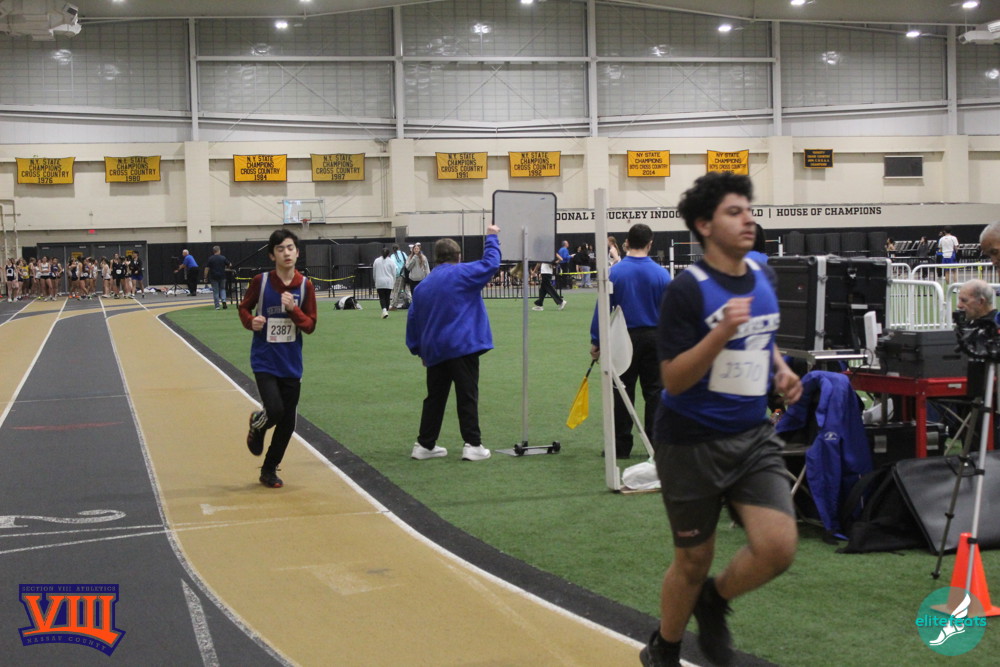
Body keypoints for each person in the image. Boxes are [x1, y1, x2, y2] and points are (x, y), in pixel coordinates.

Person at [642, 172, 802, 667]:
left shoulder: (762, 274)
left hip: (752, 435)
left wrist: (779, 368)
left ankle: (714, 601)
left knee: (778, 547)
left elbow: (762, 335)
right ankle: (665, 649)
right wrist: (720, 333)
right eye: (734, 212)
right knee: (694, 560)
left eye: (749, 209)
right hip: (690, 442)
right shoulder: (687, 291)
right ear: (704, 226)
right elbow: (673, 380)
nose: (748, 219)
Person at [405, 224, 500, 462]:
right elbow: (491, 264)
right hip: (462, 345)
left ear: (436, 258)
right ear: (458, 256)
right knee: (467, 394)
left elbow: (413, 321)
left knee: (435, 398)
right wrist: (491, 237)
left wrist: (419, 350)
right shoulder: (462, 273)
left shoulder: (423, 286)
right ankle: (472, 444)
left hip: (435, 350)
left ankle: (425, 444)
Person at [239, 229, 318, 488]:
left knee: (287, 423)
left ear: (297, 252)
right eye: (281, 249)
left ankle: (269, 469)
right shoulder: (260, 282)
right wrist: (251, 321)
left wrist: (293, 310)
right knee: (274, 410)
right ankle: (258, 424)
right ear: (272, 255)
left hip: (291, 363)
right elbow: (244, 308)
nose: (286, 253)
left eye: (290, 248)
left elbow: (310, 325)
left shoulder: (305, 286)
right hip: (265, 359)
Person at [590, 223, 672, 459]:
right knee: (655, 392)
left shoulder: (615, 272)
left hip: (622, 336)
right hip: (655, 337)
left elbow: (602, 308)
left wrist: (596, 340)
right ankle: (655, 444)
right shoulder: (662, 274)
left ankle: (620, 446)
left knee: (621, 390)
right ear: (650, 243)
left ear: (626, 243)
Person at [372, 246, 396, 318]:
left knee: (382, 297)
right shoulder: (391, 261)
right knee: (387, 297)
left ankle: (384, 310)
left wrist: (375, 280)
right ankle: (386, 311)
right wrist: (394, 281)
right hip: (389, 281)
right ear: (389, 254)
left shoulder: (376, 261)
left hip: (379, 281)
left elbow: (374, 272)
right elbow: (394, 273)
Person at [204, 245, 230, 310]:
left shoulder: (210, 258)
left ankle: (217, 306)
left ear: (213, 251)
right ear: (219, 250)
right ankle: (224, 300)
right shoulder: (223, 258)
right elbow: (230, 264)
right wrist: (226, 267)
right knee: (222, 289)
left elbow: (207, 268)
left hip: (213, 277)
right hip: (222, 276)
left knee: (216, 291)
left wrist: (205, 277)